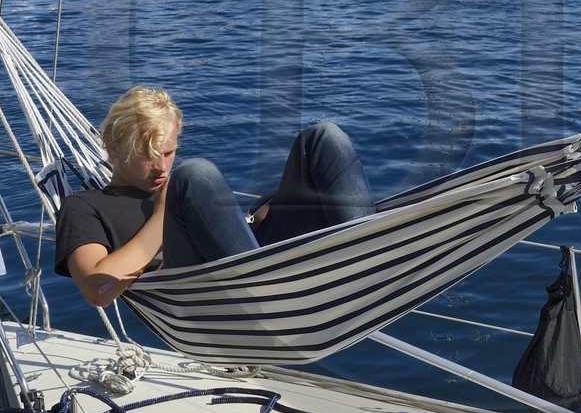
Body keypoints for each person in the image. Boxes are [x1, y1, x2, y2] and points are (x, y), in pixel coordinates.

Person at [54, 87, 376, 308]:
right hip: (215, 299)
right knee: (194, 174)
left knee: (321, 138)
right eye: (147, 155)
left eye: (168, 152)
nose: (162, 167)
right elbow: (99, 289)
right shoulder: (83, 207)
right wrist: (160, 216)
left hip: (257, 261)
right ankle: (273, 292)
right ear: (112, 146)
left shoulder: (179, 188)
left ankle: (375, 257)